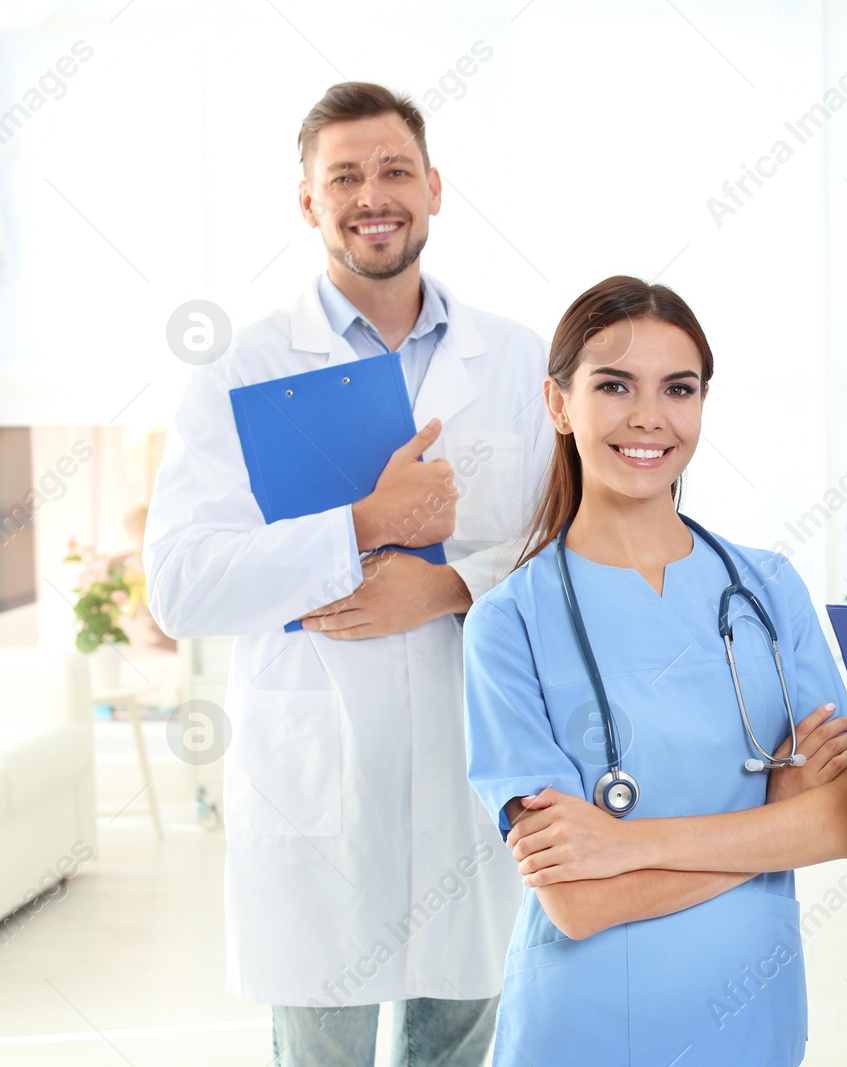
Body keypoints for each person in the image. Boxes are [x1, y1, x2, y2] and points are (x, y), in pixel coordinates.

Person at [143, 82, 552, 1065]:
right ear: (308, 203)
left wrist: (450, 584)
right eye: (346, 176)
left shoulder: (517, 359)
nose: (375, 194)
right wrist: (364, 524)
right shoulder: (242, 371)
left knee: (457, 1040)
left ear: (436, 188)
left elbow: (567, 544)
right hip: (315, 786)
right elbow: (181, 582)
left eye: (395, 169)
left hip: (471, 773)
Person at [461, 275, 847, 1066]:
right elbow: (577, 902)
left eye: (677, 388)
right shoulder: (508, 623)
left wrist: (623, 844)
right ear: (558, 403)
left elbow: (845, 824)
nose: (649, 416)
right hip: (584, 1028)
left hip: (753, 1020)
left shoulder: (769, 588)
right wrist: (772, 828)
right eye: (614, 385)